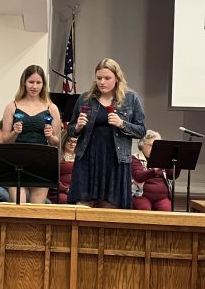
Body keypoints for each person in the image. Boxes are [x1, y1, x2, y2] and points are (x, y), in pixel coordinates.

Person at [67, 58, 146, 209]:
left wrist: (122, 124)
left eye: (107, 78)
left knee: (109, 209)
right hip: (87, 158)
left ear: (117, 78)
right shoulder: (85, 98)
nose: (102, 82)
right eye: (99, 78)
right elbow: (70, 129)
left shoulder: (130, 99)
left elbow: (141, 130)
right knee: (82, 206)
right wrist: (77, 127)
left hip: (115, 160)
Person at [2, 65, 61, 203]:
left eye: (38, 82)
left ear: (43, 84)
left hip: (41, 160)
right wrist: (14, 133)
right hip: (16, 160)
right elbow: (5, 140)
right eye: (31, 82)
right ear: (24, 83)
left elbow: (56, 141)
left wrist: (49, 136)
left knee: (37, 210)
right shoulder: (12, 106)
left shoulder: (51, 108)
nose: (34, 86)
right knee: (18, 207)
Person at [132, 130, 180, 211]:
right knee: (144, 208)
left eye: (157, 146)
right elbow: (138, 177)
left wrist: (178, 164)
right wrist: (155, 170)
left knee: (166, 210)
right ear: (142, 145)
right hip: (141, 196)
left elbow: (172, 176)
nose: (155, 149)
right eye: (151, 145)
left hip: (162, 198)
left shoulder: (162, 158)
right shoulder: (135, 158)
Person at [47, 131, 76, 204]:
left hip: (76, 190)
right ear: (64, 140)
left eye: (75, 142)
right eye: (69, 141)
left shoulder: (81, 157)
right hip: (59, 191)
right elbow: (52, 177)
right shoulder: (56, 156)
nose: (72, 144)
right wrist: (65, 189)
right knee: (64, 199)